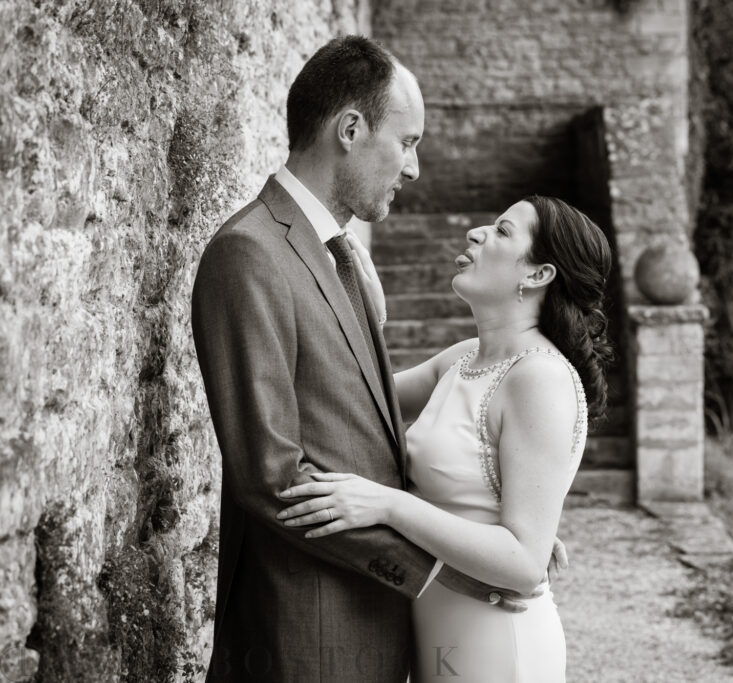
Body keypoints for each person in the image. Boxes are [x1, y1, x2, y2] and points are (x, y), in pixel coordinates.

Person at [191, 36, 558, 683]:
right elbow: (271, 475)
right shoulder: (247, 253)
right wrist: (440, 570)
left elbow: (363, 431)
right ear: (351, 129)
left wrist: (483, 528)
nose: (414, 168)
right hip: (306, 632)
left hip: (379, 629)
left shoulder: (347, 263)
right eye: (408, 141)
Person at [277, 195, 614, 681]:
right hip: (437, 631)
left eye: (502, 232)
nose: (475, 233)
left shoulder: (539, 378)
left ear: (537, 275)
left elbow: (523, 562)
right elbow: (355, 404)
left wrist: (388, 505)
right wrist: (367, 319)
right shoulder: (463, 357)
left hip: (496, 645)